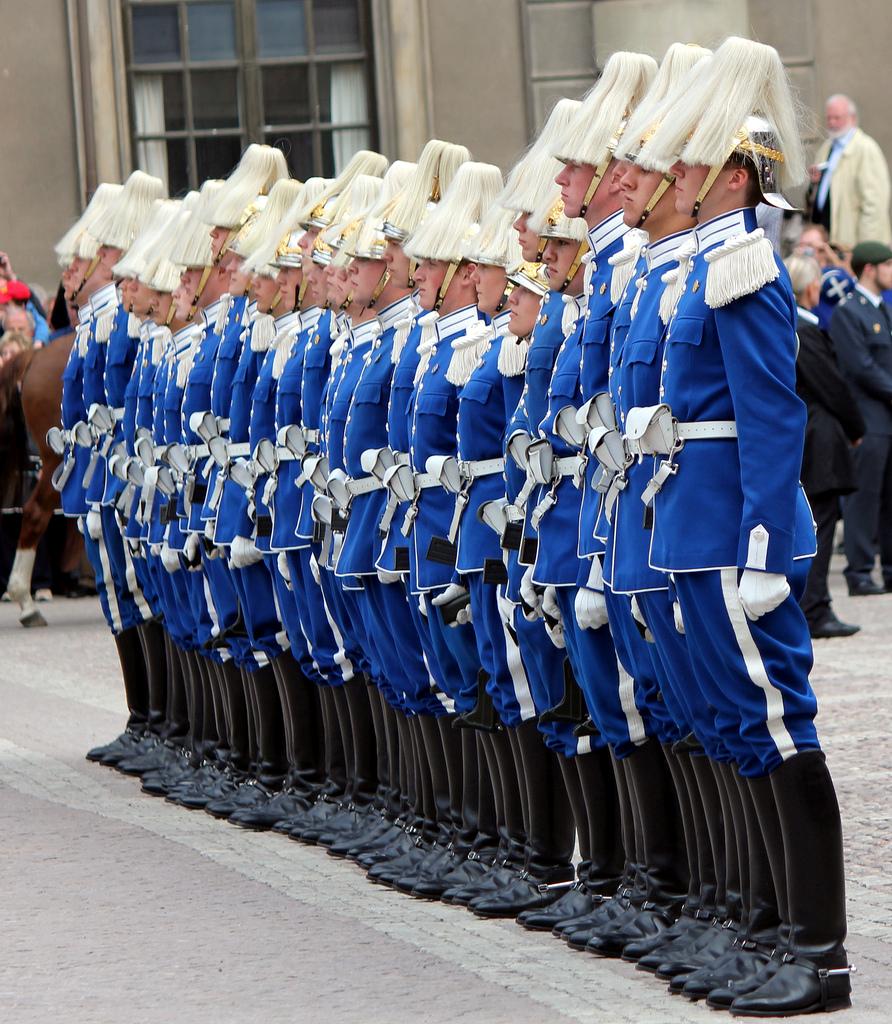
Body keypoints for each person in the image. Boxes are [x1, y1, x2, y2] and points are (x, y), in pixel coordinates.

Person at [640, 35, 852, 1015]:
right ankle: (762, 929)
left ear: (730, 175)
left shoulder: (740, 269)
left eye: (686, 161)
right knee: (731, 730)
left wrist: (769, 545)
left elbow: (773, 419)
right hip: (693, 524)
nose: (666, 177)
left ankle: (817, 953)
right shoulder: (694, 271)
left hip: (735, 533)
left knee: (773, 727)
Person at [785, 252, 864, 636]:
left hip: (810, 441)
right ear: (812, 287)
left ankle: (813, 605)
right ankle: (814, 608)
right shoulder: (804, 328)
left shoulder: (795, 325)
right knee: (819, 529)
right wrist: (856, 425)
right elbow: (832, 387)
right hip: (819, 443)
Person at [829, 240, 892, 595]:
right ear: (870, 268)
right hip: (868, 418)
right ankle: (861, 571)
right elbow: (860, 366)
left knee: (889, 497)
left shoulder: (883, 309)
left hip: (886, 416)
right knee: (865, 497)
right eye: (888, 265)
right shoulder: (849, 311)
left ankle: (890, 568)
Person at [809, 94, 891, 251]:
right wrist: (814, 183)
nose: (832, 123)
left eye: (837, 118)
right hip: (827, 237)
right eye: (829, 118)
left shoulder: (866, 148)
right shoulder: (827, 147)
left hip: (851, 241)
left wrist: (867, 247)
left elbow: (874, 204)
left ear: (852, 118)